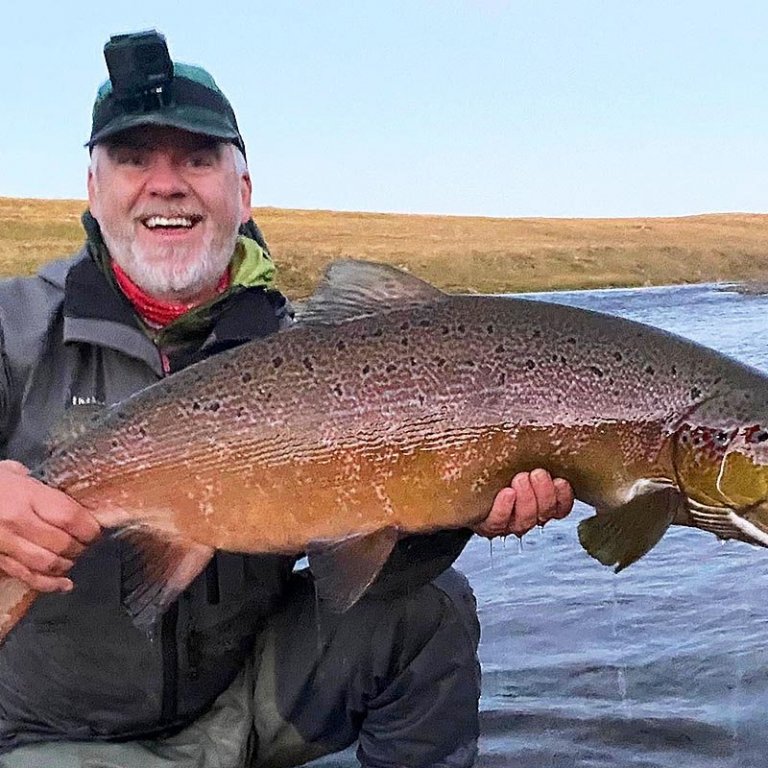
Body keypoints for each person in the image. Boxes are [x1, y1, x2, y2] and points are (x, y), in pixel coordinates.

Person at [0, 31, 574, 768]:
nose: (166, 184)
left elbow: (358, 572)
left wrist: (454, 511)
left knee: (431, 611)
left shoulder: (312, 351)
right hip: (47, 735)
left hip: (243, 707)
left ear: (242, 192)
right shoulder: (16, 328)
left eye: (198, 160)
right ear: (93, 188)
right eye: (134, 159)